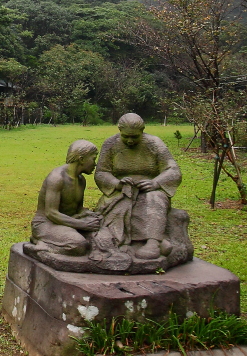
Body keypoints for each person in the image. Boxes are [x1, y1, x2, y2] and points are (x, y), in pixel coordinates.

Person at [92, 112, 182, 262]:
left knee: (155, 199)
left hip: (150, 190)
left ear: (142, 131)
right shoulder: (110, 144)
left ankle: (153, 242)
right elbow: (101, 172)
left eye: (135, 137)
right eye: (125, 136)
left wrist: (156, 183)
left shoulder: (154, 143)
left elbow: (173, 170)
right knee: (118, 204)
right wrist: (117, 184)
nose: (130, 141)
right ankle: (139, 241)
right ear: (119, 131)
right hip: (122, 190)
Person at [30, 139, 101, 256]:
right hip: (46, 223)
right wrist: (84, 225)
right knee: (79, 245)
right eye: (93, 159)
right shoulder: (57, 178)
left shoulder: (81, 180)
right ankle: (43, 246)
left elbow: (77, 209)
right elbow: (51, 213)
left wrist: (92, 214)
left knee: (100, 239)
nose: (95, 164)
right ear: (81, 159)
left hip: (67, 221)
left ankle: (51, 241)